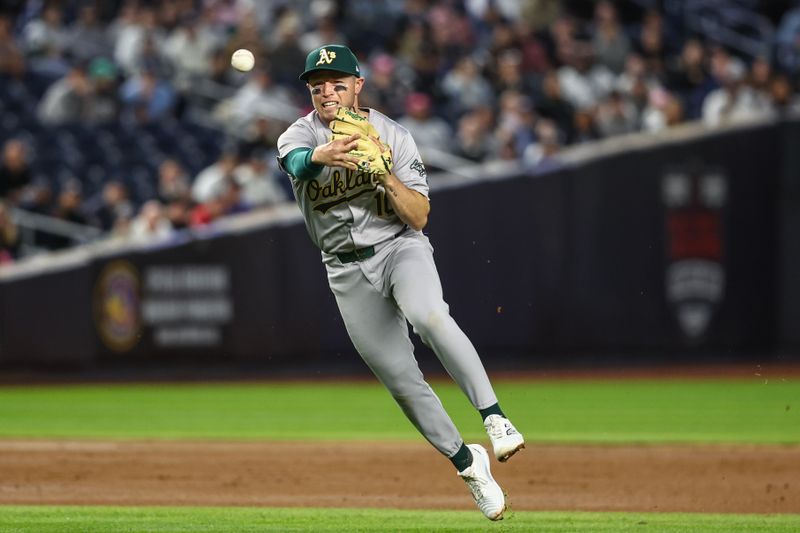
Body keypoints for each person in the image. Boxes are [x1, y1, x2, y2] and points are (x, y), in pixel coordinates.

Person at [276, 44, 524, 521]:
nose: (327, 91)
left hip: (398, 246)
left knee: (430, 316)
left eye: (337, 82)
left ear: (358, 85)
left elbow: (419, 215)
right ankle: (467, 463)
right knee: (401, 380)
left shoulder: (394, 135)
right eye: (318, 85)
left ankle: (494, 417)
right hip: (344, 267)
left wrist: (384, 176)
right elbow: (297, 164)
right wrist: (323, 153)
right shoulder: (298, 135)